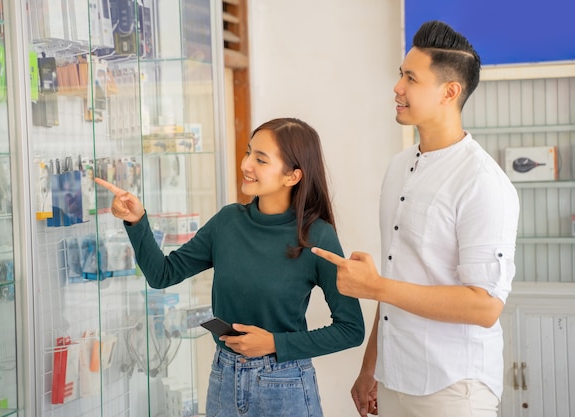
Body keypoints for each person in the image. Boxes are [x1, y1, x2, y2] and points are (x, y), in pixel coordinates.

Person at [312, 21, 520, 417]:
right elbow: (394, 276)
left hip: (454, 387)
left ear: (450, 91)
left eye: (411, 78)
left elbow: (485, 306)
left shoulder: (483, 183)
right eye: (400, 75)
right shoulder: (399, 168)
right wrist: (370, 367)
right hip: (394, 379)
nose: (397, 88)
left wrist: (376, 286)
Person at [96, 117, 365, 417]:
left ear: (292, 176)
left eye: (260, 159)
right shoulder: (228, 221)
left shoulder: (317, 236)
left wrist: (275, 343)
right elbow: (162, 274)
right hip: (224, 377)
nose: (246, 164)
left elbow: (351, 330)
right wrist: (137, 220)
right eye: (249, 152)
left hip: (284, 385)